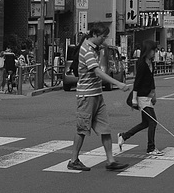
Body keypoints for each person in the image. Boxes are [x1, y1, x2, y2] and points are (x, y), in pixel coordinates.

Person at [67, 22, 132, 172]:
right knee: (82, 129)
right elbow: (97, 72)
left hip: (96, 94)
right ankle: (73, 160)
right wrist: (119, 83)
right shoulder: (87, 49)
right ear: (95, 35)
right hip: (86, 95)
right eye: (103, 36)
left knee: (105, 129)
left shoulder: (94, 48)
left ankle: (110, 160)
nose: (104, 39)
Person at [118, 39, 163, 156]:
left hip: (148, 96)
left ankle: (124, 136)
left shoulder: (151, 63)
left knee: (145, 123)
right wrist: (134, 99)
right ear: (147, 51)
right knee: (153, 122)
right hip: (141, 97)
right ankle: (151, 148)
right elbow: (137, 82)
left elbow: (151, 81)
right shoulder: (142, 64)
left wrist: (154, 95)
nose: (154, 52)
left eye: (155, 50)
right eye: (153, 50)